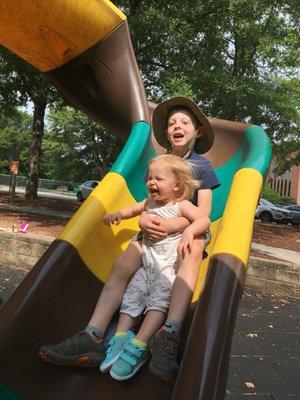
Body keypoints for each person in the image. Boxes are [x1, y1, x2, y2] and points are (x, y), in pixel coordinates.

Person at [39, 96, 220, 383]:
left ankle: (170, 332)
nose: (177, 126)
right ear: (166, 133)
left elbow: (205, 213)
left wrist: (175, 225)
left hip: (188, 228)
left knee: (193, 250)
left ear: (197, 131)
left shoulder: (201, 166)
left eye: (184, 122)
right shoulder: (159, 164)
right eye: (172, 122)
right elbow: (147, 203)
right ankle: (94, 334)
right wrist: (144, 219)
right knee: (123, 263)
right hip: (153, 230)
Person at [100, 154, 209, 380]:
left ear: (177, 185)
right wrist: (118, 214)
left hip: (167, 268)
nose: (151, 182)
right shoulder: (149, 204)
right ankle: (121, 336)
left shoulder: (181, 205)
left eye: (158, 179)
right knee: (132, 296)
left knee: (157, 305)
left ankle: (140, 343)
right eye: (150, 178)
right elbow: (132, 208)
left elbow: (203, 220)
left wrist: (189, 231)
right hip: (147, 265)